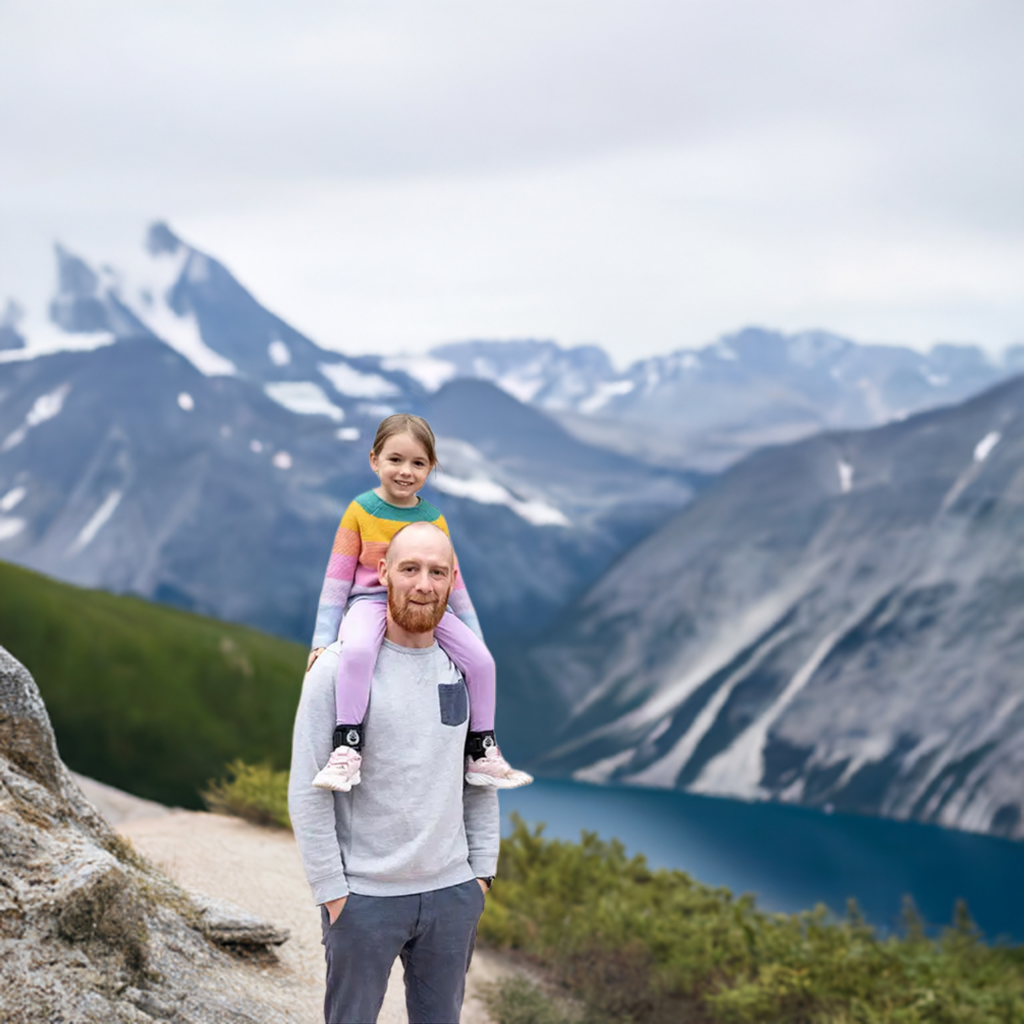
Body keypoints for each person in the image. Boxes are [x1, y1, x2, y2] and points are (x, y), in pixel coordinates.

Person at [289, 521, 501, 1024]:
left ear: (453, 581)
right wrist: (334, 894)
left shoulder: (463, 670)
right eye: (409, 569)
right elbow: (308, 789)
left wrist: (481, 876)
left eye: (436, 572)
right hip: (364, 899)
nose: (423, 585)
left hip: (453, 895)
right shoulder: (337, 671)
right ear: (383, 572)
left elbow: (479, 775)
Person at [306, 413, 531, 792]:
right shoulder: (360, 512)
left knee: (482, 662)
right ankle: (347, 747)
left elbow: (453, 583)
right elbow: (336, 580)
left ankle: (481, 751)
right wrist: (322, 640)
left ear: (431, 468)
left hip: (425, 604)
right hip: (370, 602)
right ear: (374, 460)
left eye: (418, 463)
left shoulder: (434, 519)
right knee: (357, 651)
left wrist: (474, 636)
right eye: (395, 460)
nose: (406, 471)